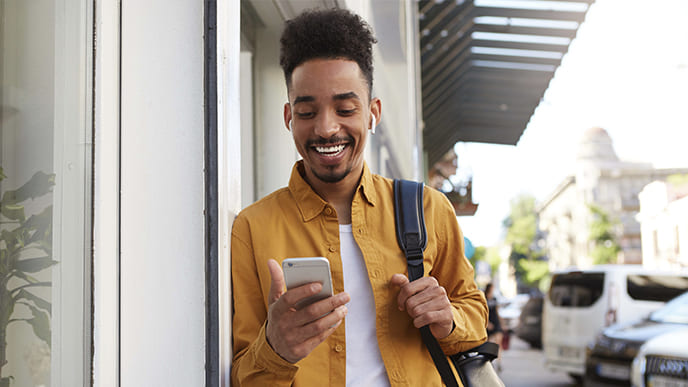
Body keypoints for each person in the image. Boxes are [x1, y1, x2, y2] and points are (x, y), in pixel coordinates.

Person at [230, 8, 488, 386]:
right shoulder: (252, 229)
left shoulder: (429, 209)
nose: (326, 127)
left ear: (373, 112)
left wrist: (449, 317)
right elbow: (241, 375)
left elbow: (476, 319)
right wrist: (276, 348)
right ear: (289, 117)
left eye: (345, 108)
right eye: (306, 111)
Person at [484, 283, 504, 371]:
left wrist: (502, 324)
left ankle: (499, 362)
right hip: (488, 323)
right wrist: (487, 323)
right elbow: (482, 312)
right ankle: (488, 363)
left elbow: (497, 312)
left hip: (496, 323)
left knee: (498, 343)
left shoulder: (495, 299)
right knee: (488, 344)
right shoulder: (484, 298)